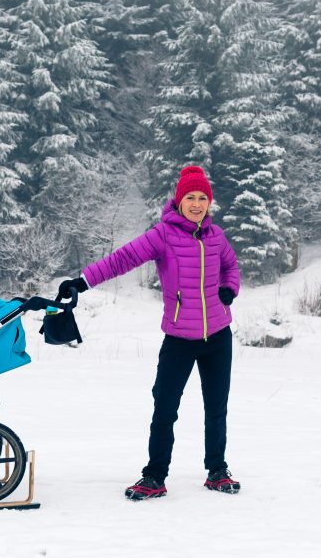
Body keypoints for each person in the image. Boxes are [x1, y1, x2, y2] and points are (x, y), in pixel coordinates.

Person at [59, 165, 241, 501]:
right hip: (179, 339)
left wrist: (229, 288)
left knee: (217, 407)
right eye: (191, 197)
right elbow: (123, 259)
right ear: (179, 200)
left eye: (203, 198)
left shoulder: (216, 237)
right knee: (165, 407)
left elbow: (230, 265)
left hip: (218, 336)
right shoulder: (163, 235)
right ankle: (154, 476)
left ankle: (217, 470)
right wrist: (82, 282)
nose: (197, 204)